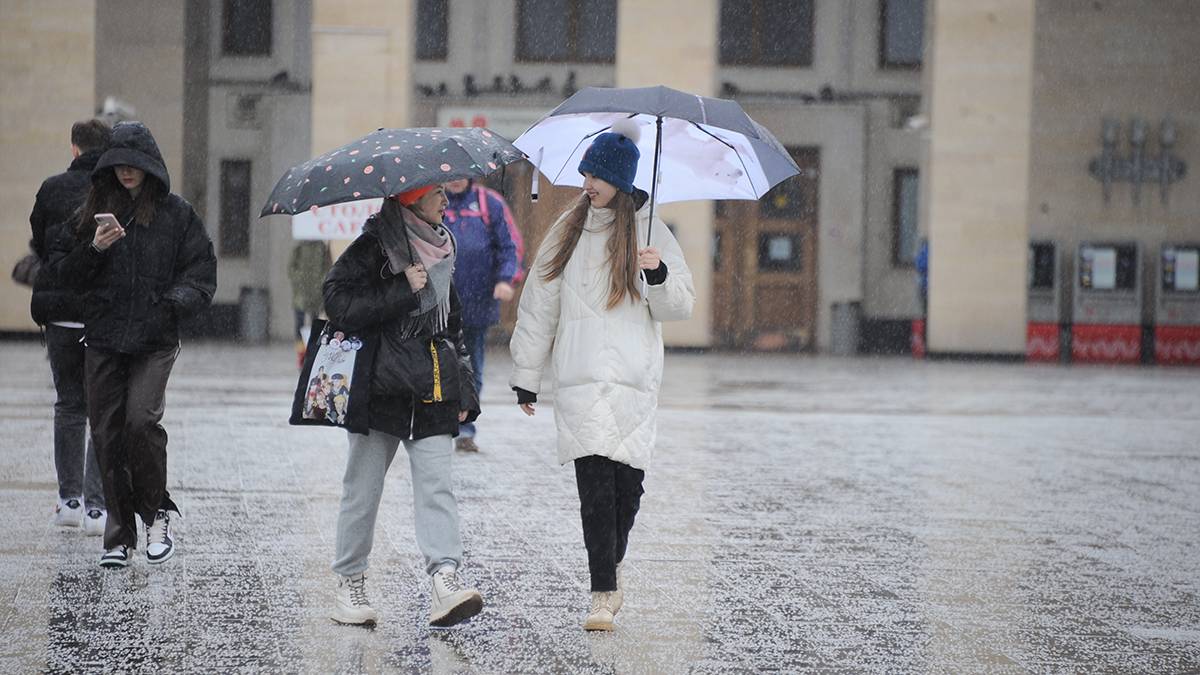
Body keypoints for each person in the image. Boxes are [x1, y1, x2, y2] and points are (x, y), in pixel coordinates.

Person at [508, 119, 695, 631]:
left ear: (622, 182)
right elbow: (539, 303)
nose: (587, 184)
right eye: (586, 173)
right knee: (595, 489)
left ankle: (608, 569)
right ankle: (601, 593)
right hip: (580, 377)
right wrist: (528, 374)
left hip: (635, 383)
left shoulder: (653, 230)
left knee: (626, 493)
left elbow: (680, 306)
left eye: (598, 176)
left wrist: (657, 274)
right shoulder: (567, 229)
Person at [50, 121, 217, 569]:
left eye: (134, 164)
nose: (126, 172)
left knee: (140, 422)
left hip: (154, 338)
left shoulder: (176, 214)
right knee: (106, 434)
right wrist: (95, 249)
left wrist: (170, 304)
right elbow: (63, 274)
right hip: (103, 337)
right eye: (118, 164)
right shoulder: (92, 213)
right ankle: (118, 536)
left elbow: (201, 274)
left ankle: (157, 512)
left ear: (149, 166)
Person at [322, 183, 483, 628]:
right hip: (380, 387)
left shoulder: (442, 247)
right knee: (363, 490)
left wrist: (465, 387)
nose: (447, 202)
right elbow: (336, 301)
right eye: (438, 195)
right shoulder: (373, 246)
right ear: (412, 200)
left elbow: (453, 323)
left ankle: (445, 579)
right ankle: (350, 581)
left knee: (437, 487)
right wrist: (399, 290)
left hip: (432, 386)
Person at [29, 119, 112, 535]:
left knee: (69, 403)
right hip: (100, 315)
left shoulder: (51, 188)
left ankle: (70, 500)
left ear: (74, 148)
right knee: (101, 409)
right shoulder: (117, 190)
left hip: (61, 310)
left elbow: (41, 245)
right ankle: (98, 508)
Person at [441, 178, 522, 452]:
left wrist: (505, 278)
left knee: (471, 367)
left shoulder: (490, 203)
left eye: (461, 173)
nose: (455, 179)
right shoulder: (432, 201)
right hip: (437, 305)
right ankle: (438, 425)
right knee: (435, 365)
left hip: (476, 305)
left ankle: (465, 428)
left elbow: (510, 246)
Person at [288, 240, 332, 366]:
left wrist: (320, 281)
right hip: (301, 293)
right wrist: (299, 279)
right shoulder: (300, 246)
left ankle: (312, 353)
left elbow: (327, 266)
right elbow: (291, 268)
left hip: (316, 293)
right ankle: (301, 354)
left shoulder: (321, 247)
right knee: (300, 324)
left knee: (315, 325)